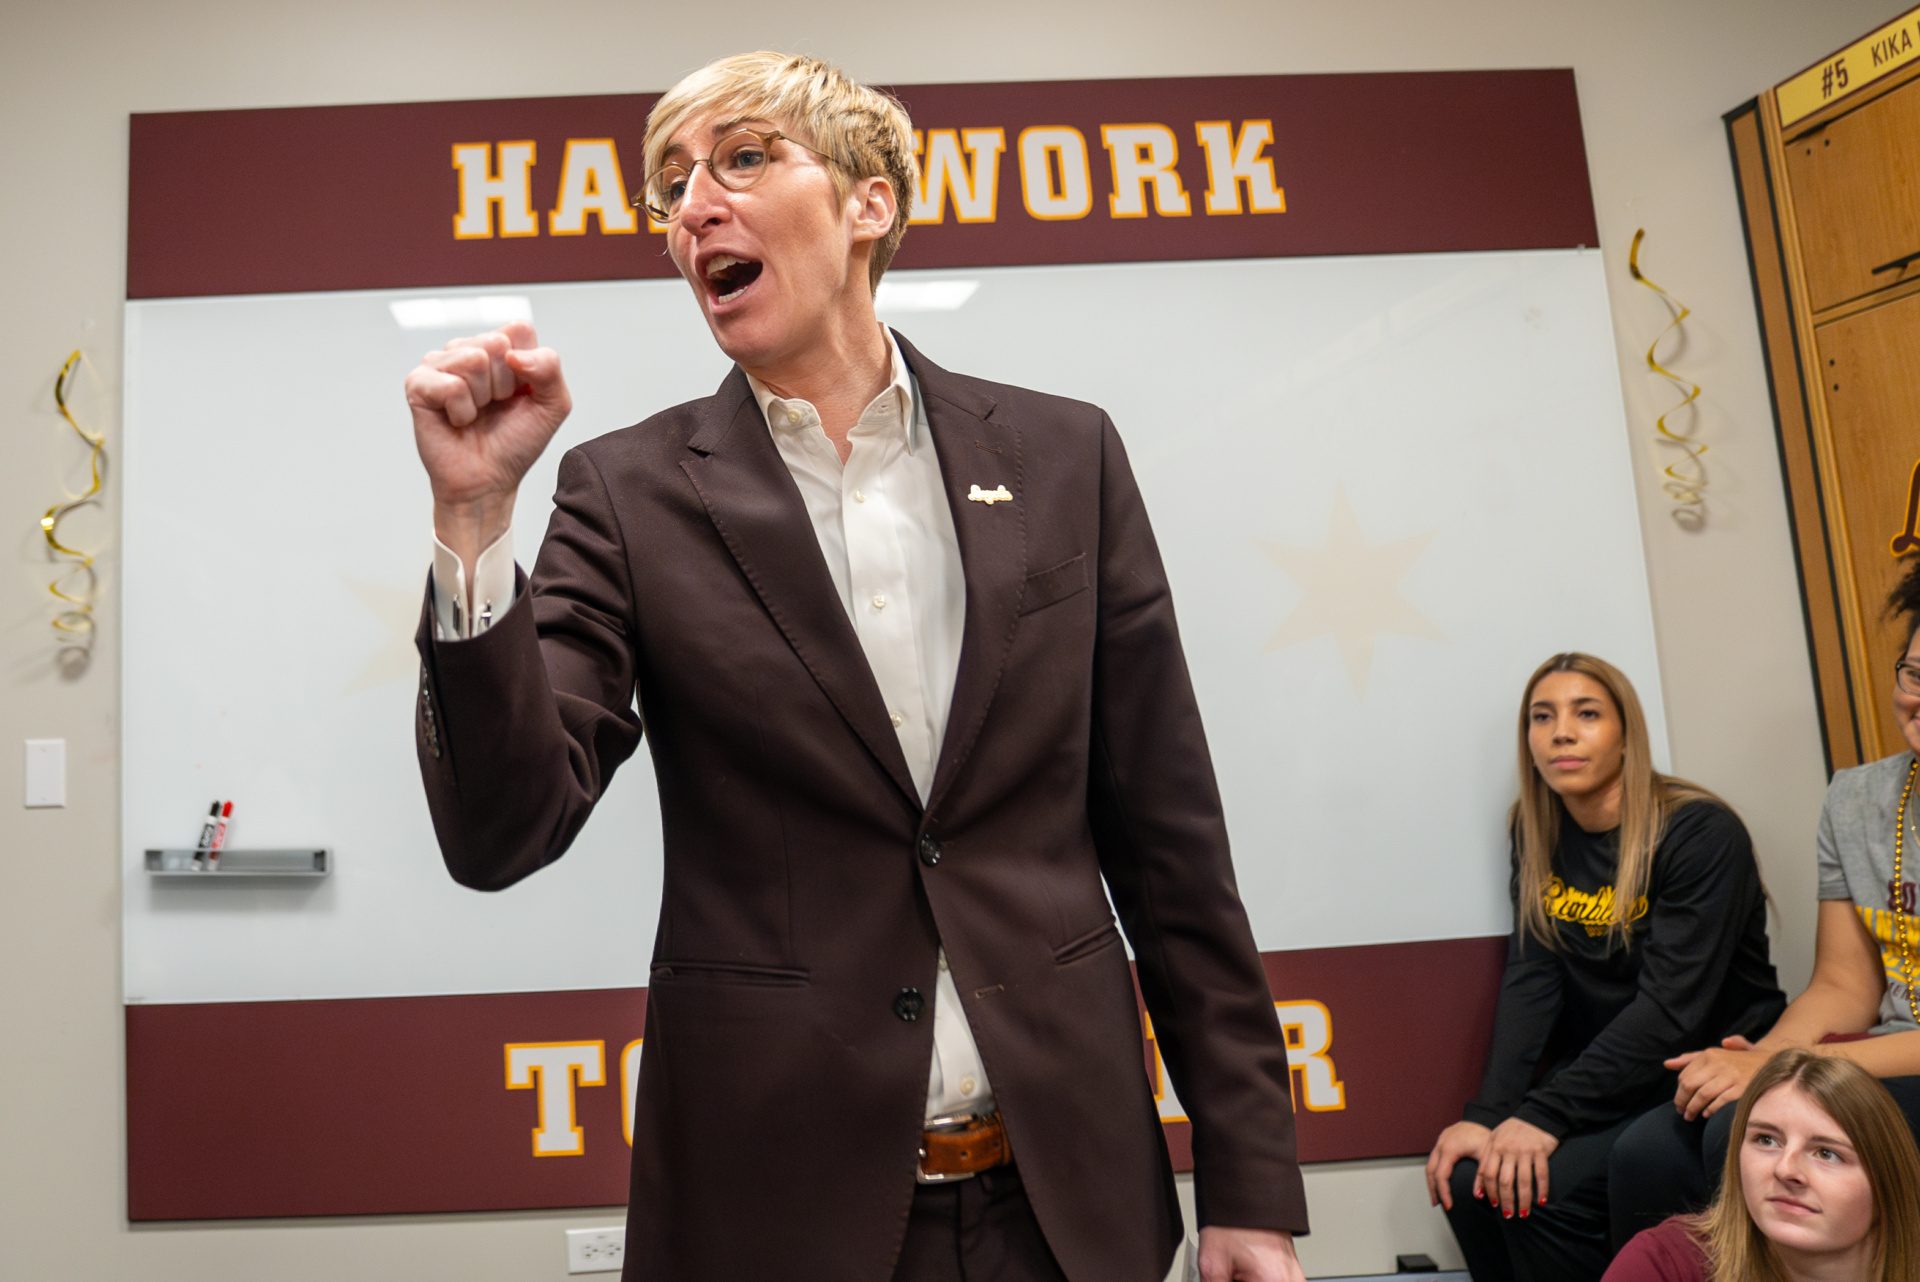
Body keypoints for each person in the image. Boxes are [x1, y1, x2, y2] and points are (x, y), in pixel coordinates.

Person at [404, 51, 1307, 1282]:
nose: (693, 208)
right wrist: (472, 522)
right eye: (670, 186)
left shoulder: (1064, 457)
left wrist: (1250, 1183)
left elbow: (1172, 846)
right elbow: (503, 830)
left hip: (1068, 1206)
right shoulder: (629, 493)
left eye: (743, 159)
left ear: (869, 203)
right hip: (779, 1212)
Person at [1422, 652, 1784, 1282]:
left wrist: (1544, 1116)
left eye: (1586, 714)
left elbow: (1671, 1012)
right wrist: (1489, 1115)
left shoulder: (1699, 831)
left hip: (1695, 1073)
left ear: (1625, 734)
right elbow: (1532, 982)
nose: (1561, 732)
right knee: (1468, 1179)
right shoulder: (1536, 830)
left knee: (1541, 1193)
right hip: (1606, 1074)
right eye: (1542, 717)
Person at [1611, 556, 1920, 1241]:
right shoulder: (1857, 798)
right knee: (1648, 1153)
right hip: (1874, 1055)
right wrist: (1766, 1060)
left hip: (1880, 1067)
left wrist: (1787, 1071)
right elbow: (1844, 983)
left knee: (1741, 1136)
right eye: (1915, 675)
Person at [1603, 1049, 1920, 1282]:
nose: (1786, 1170)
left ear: (1888, 1181)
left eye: (1826, 1154)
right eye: (1766, 1140)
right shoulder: (1662, 1264)